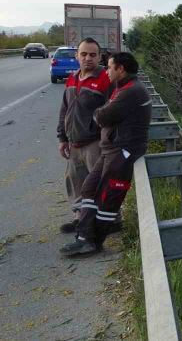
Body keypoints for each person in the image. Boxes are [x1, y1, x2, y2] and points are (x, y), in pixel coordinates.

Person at [60, 52, 152, 256]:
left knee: (108, 198)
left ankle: (94, 242)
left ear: (121, 69)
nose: (107, 71)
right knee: (89, 189)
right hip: (111, 148)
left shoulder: (131, 91)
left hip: (122, 150)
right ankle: (84, 236)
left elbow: (102, 116)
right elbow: (106, 113)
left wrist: (99, 113)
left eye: (110, 67)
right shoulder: (123, 87)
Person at [57, 37, 112, 234]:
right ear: (77, 56)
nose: (87, 58)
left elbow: (113, 112)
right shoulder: (72, 78)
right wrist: (62, 138)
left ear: (99, 57)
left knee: (98, 184)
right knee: (76, 183)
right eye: (83, 54)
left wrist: (107, 140)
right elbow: (65, 110)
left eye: (92, 54)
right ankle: (80, 218)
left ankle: (107, 221)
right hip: (74, 143)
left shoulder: (106, 79)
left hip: (95, 143)